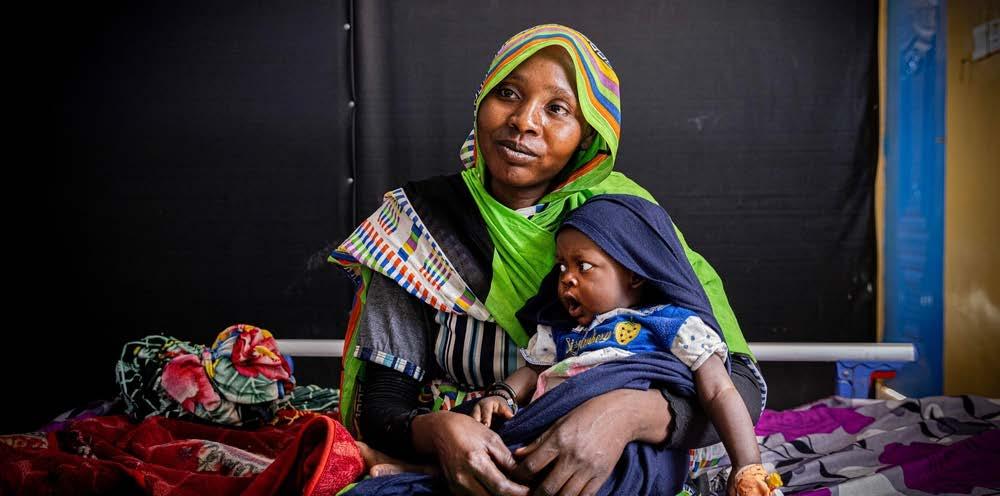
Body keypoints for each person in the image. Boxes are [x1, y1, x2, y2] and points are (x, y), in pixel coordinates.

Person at [330, 24, 766, 496]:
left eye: (557, 108)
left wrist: (623, 415)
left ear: (587, 136)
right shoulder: (419, 224)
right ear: (481, 101)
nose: (524, 121)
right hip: (470, 454)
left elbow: (736, 387)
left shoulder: (623, 222)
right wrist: (440, 431)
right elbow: (381, 408)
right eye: (508, 93)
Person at [472, 195, 775, 495]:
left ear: (633, 273)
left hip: (627, 454)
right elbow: (533, 372)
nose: (567, 279)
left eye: (583, 266)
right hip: (547, 438)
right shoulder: (562, 333)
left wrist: (747, 465)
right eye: (562, 266)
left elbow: (720, 391)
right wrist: (503, 394)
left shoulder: (671, 324)